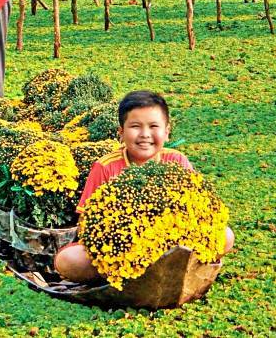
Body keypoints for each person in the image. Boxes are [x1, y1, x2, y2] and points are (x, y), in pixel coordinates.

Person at [54, 90, 235, 283]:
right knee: (67, 260)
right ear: (121, 133)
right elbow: (85, 223)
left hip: (173, 244)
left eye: (154, 126)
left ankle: (149, 274)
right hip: (120, 251)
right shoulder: (105, 166)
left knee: (226, 235)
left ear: (167, 132)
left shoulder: (176, 160)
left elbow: (200, 209)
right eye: (135, 126)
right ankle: (138, 274)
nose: (145, 134)